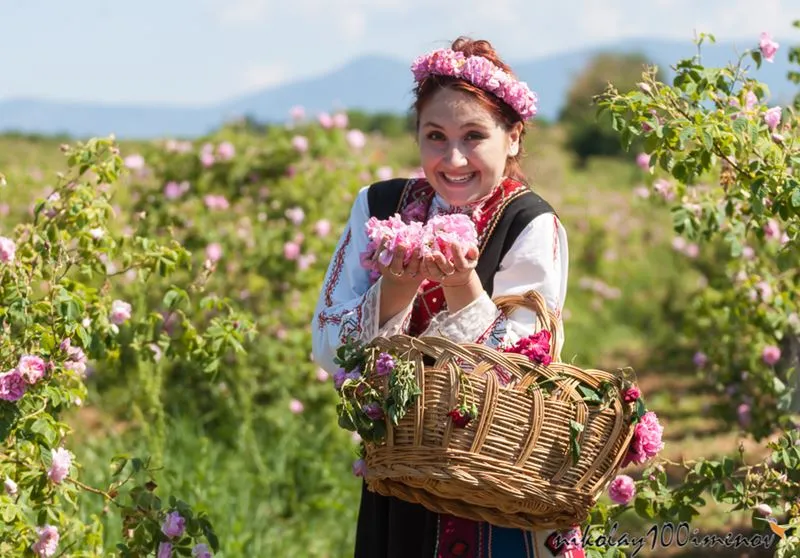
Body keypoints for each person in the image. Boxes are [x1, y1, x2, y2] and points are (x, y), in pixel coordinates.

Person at [312, 36, 583, 558]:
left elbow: (522, 373)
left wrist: (462, 287)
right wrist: (397, 285)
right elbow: (328, 344)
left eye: (474, 135)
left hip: (493, 478)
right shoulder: (378, 206)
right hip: (398, 475)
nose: (453, 158)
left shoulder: (530, 222)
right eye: (435, 136)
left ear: (513, 138)